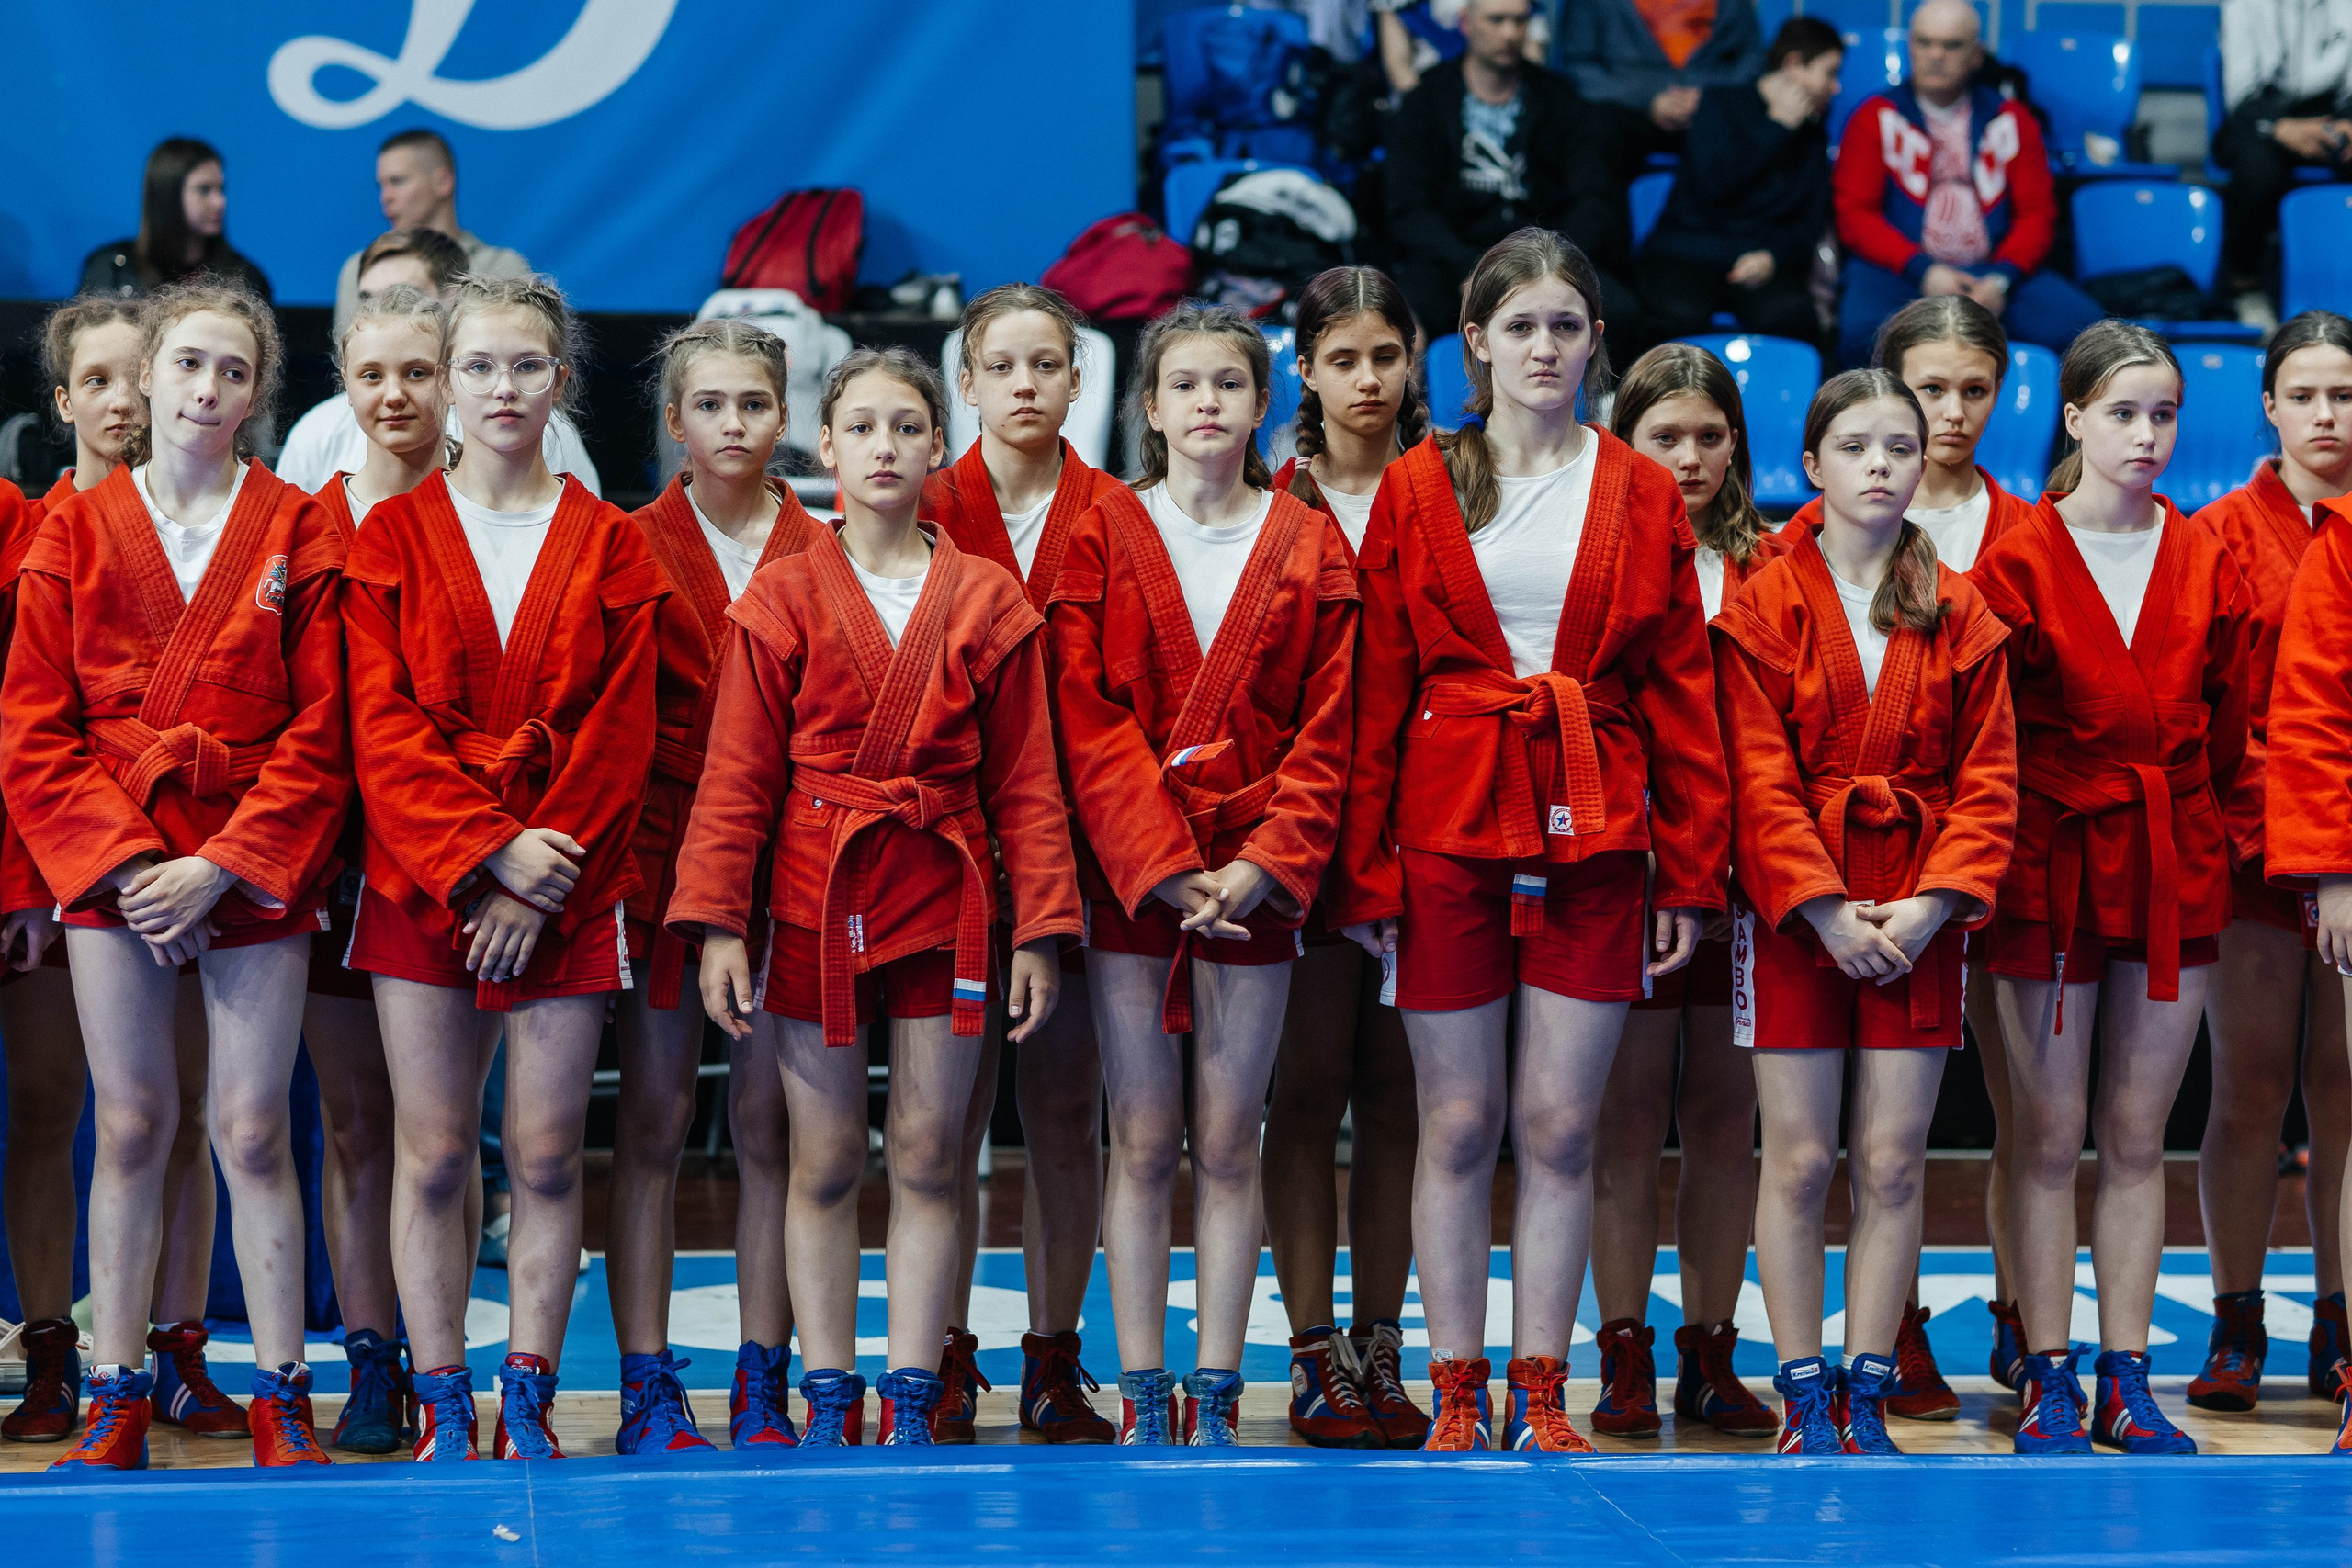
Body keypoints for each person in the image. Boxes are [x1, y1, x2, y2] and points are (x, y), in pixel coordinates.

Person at [1334, 229, 1730, 1452]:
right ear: (1476, 344)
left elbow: (1677, 689)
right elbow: (1377, 685)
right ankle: (1457, 1384)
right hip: (1446, 825)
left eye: (1566, 325)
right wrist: (1364, 865)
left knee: (1562, 1122)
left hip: (1598, 824)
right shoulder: (1415, 485)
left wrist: (1693, 861)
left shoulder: (1644, 488)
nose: (1545, 347)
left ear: (1596, 340)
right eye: (1521, 326)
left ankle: (1543, 1386)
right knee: (1455, 1121)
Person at [670, 348, 1080, 1449]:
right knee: (825, 1159)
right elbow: (737, 774)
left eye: (907, 428)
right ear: (829, 451)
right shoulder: (786, 594)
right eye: (863, 429)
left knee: (933, 1153)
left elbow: (1027, 780)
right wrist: (718, 921)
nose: (886, 448)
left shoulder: (989, 597)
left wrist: (1039, 929)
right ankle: (829, 1393)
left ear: (938, 448)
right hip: (818, 890)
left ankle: (909, 1394)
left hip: (947, 891)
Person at [10, 282, 348, 1471]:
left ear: (259, 394)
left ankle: (280, 1394)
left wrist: (224, 863)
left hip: (249, 867)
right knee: (134, 1119)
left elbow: (323, 727)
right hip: (119, 866)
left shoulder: (301, 524)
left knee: (252, 1126)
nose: (208, 391)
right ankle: (113, 1389)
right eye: (189, 366)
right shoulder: (73, 528)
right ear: (145, 377)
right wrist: (135, 862)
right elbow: (34, 727)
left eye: (235, 372)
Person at [342, 275, 663, 1462]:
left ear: (560, 382)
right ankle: (441, 1400)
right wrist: (482, 854)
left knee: (539, 1152)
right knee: (430, 1151)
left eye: (526, 366)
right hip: (429, 878)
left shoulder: (612, 542)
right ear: (448, 384)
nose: (502, 388)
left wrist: (537, 877)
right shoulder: (387, 537)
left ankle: (523, 1395)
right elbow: (379, 725)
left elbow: (622, 731)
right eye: (477, 367)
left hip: (565, 881)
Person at [1048, 303, 1356, 1447]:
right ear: (1150, 407)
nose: (1208, 404)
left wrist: (1269, 860)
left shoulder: (1308, 541)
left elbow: (1332, 725)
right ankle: (1141, 1391)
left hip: (1255, 881)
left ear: (1264, 404)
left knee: (1231, 1139)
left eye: (1229, 384)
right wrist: (1167, 865)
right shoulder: (1101, 534)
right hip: (1143, 880)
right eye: (1185, 385)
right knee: (1140, 1136)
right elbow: (1082, 715)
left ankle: (1218, 1391)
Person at [1716, 368, 2016, 1455]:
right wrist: (1823, 910)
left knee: (1891, 1160)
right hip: (1799, 915)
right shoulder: (1763, 603)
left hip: (1920, 913)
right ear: (1812, 466)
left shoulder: (1962, 606)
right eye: (1856, 447)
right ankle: (1802, 1390)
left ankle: (1868, 1388)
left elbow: (1990, 780)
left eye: (1899, 446)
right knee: (1797, 1161)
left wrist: (1934, 906)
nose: (1882, 465)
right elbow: (1755, 778)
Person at [1971, 321, 2248, 1458]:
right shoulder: (2013, 560)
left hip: (2171, 855)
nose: (2146, 435)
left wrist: (2205, 838)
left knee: (2138, 1136)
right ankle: (2044, 1371)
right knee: (2044, 1133)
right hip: (2048, 859)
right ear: (2073, 417)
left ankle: (2125, 1377)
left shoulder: (2208, 556)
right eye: (2123, 412)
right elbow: (1982, 736)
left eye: (2164, 414)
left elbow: (2231, 734)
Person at [2, 298, 251, 1453]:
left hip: (194, 877)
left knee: (188, 1114)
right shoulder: (40, 529)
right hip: (64, 871)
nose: (115, 399)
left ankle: (179, 1353)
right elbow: (29, 729)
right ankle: (56, 1349)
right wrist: (42, 882)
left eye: (127, 376)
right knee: (63, 1108)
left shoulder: (235, 527)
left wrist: (197, 865)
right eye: (91, 382)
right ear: (62, 404)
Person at [922, 283, 1125, 1444]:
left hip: (1084, 850)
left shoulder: (1120, 511)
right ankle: (941, 1349)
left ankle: (1054, 1353)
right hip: (945, 853)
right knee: (943, 1127)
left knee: (1062, 1115)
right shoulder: (923, 501)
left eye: (1046, 364)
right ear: (967, 382)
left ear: (1076, 380)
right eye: (1002, 367)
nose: (1026, 386)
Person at [613, 320, 820, 1455]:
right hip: (660, 863)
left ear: (785, 418)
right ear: (674, 420)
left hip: (789, 867)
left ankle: (762, 1376)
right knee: (650, 1120)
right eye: (710, 404)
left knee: (769, 1126)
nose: (732, 423)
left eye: (753, 403)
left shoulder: (828, 546)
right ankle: (647, 1381)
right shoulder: (626, 544)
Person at [1587, 342, 1778, 1442]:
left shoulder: (1777, 560)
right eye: (1666, 436)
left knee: (1722, 1118)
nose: (1692, 456)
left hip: (1751, 883)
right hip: (1631, 871)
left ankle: (1711, 1352)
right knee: (1618, 1121)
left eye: (1711, 435)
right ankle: (1621, 1351)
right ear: (1625, 440)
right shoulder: (1600, 556)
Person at [1261, 266, 1431, 1450]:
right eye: (1343, 359)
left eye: (1386, 356)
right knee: (1306, 1096)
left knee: (1405, 1104)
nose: (1367, 380)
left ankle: (1383, 1346)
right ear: (1305, 371)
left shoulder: (1457, 495)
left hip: (1432, 844)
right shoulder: (1270, 507)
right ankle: (1314, 1352)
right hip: (1306, 849)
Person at [300, 282, 466, 1455]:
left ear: (453, 377)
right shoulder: (302, 527)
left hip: (455, 876)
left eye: (419, 371)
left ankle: (447, 1366)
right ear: (344, 385)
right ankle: (370, 1363)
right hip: (334, 867)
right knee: (359, 1121)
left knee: (445, 1137)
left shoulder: (505, 515)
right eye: (374, 374)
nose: (396, 394)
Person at [2184, 311, 2352, 1413]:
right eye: (2306, 397)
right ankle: (2236, 1321)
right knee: (2246, 1091)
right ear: (2269, 405)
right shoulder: (2215, 533)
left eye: (2344, 398)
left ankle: (2339, 1325)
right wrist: (2267, 833)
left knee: (2343, 1095)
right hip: (2247, 860)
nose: (2327, 418)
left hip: (2349, 852)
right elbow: (2206, 714)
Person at [1831, 0, 2100, 368]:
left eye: (1952, 45)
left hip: (1995, 274)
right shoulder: (1873, 117)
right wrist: (1923, 270)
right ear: (1910, 47)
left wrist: (2001, 280)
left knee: (2085, 332)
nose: (1936, 55)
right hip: (1900, 272)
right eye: (1924, 43)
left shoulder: (2013, 120)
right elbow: (1856, 215)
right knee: (1863, 333)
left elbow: (2037, 214)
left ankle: (2054, 426)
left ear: (1976, 55)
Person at [1384, 0, 1639, 343]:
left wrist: (1552, 266)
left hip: (1547, 256)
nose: (1509, 33)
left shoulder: (1559, 100)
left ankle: (1600, 399)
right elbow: (1408, 207)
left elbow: (1594, 196)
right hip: (1453, 261)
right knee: (1401, 320)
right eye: (1497, 20)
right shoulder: (1426, 102)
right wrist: (1468, 268)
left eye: (1519, 21)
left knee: (1622, 314)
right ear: (1466, 23)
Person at [278, 230, 599, 496]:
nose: (389, 311)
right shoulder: (317, 432)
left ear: (452, 302)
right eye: (367, 298)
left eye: (407, 295)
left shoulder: (519, 424)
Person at [1638, 18, 1841, 350]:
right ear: (1793, 65)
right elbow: (1713, 186)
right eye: (1829, 73)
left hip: (1760, 260)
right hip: (1689, 251)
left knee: (1791, 316)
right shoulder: (1719, 104)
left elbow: (1811, 220)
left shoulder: (1812, 133)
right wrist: (1776, 127)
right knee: (1675, 315)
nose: (1836, 88)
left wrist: (1772, 256)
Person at [2215, 0, 2352, 322]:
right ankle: (2243, 282)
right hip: (2258, 116)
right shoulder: (2242, 6)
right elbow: (2240, 96)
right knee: (2258, 169)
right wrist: (2280, 128)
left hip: (2328, 113)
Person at [333, 129, 530, 339]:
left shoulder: (501, 268)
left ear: (443, 182)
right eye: (381, 186)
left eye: (397, 181)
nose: (386, 196)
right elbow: (351, 360)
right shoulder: (359, 268)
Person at [1556, 0, 1768, 166]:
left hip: (1714, 108)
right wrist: (1648, 100)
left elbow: (1751, 56)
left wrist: (1710, 98)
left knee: (1762, 134)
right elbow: (1579, 65)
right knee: (1592, 138)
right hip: (1625, 112)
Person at [77, 138, 269, 299]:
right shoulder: (113, 269)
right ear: (167, 195)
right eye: (204, 189)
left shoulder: (245, 278)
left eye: (221, 189)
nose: (220, 202)